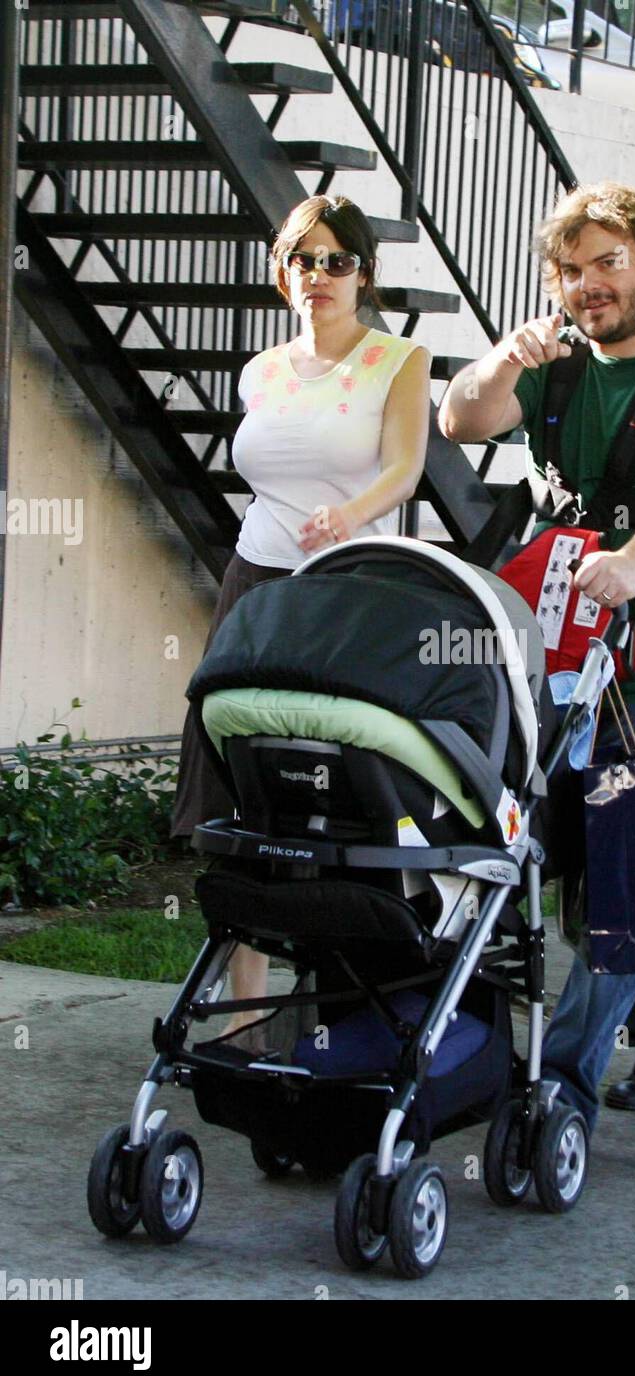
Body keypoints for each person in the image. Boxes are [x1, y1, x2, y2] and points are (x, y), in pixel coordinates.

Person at [438, 181, 635, 1131]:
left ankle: (559, 1082)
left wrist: (631, 562)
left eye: (608, 262)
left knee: (618, 877)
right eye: (569, 271)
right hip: (556, 651)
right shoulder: (555, 367)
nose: (588, 286)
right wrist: (502, 357)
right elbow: (459, 421)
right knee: (606, 874)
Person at [171, 193, 431, 1037]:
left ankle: (346, 991)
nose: (317, 276)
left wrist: (351, 516)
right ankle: (244, 1002)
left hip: (348, 592)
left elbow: (405, 468)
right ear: (282, 270)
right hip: (258, 584)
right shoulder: (262, 370)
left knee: (335, 789)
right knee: (237, 774)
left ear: (364, 272)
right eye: (302, 259)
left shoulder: (398, 358)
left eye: (336, 261)